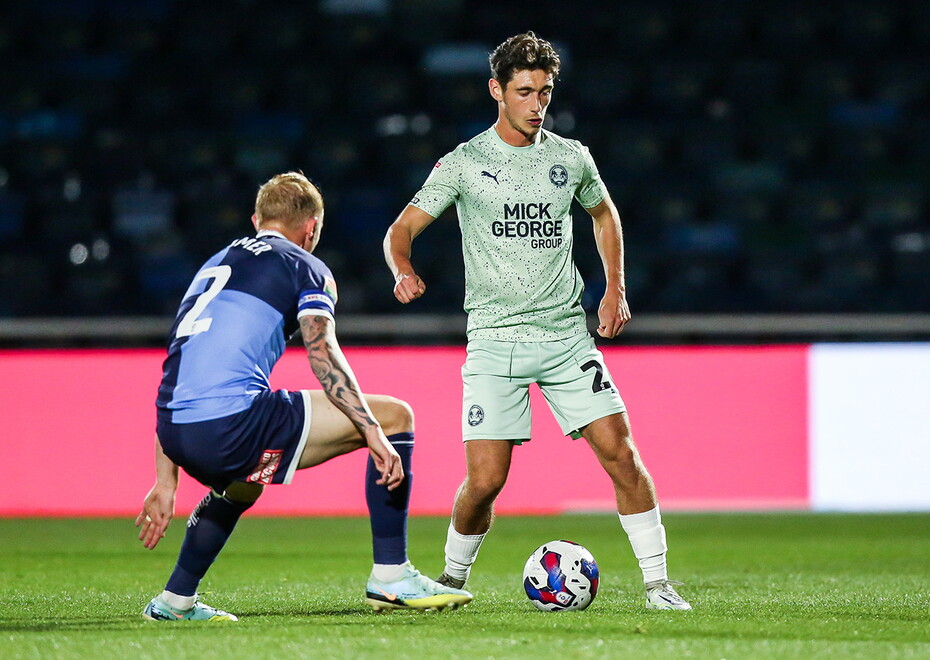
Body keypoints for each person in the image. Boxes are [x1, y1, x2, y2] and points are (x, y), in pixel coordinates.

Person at [384, 32, 690, 611]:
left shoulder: (571, 156)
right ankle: (450, 581)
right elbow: (400, 230)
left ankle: (658, 585)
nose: (536, 103)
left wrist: (614, 290)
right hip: (495, 341)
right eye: (524, 92)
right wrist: (402, 267)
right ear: (497, 91)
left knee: (622, 455)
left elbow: (604, 215)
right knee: (486, 480)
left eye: (544, 92)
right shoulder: (465, 163)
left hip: (565, 337)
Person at [137, 171, 472, 621]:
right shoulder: (303, 265)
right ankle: (392, 576)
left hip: (175, 430)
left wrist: (166, 480)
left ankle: (175, 602)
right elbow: (321, 351)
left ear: (257, 219)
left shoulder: (213, 265)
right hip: (231, 425)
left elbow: (181, 365)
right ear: (311, 227)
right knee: (395, 416)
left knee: (244, 483)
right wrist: (370, 430)